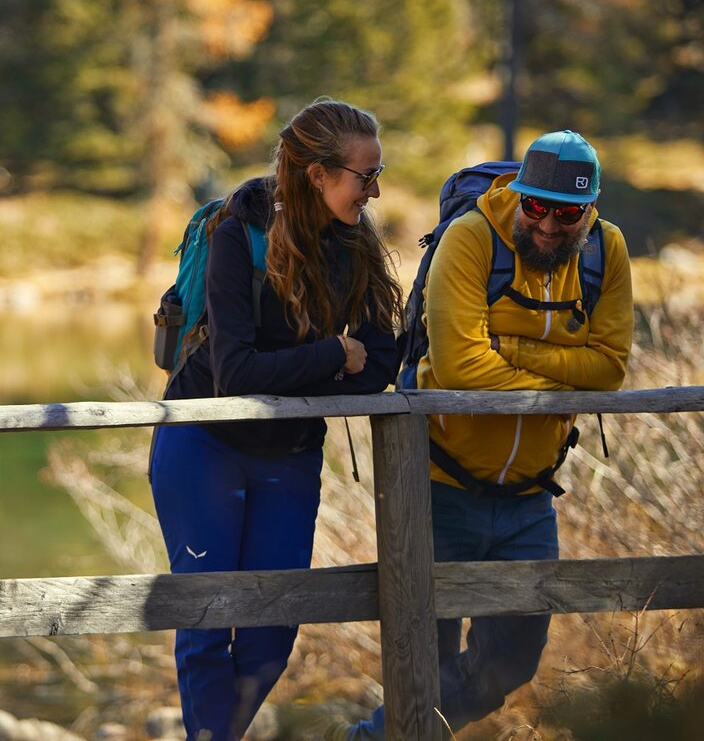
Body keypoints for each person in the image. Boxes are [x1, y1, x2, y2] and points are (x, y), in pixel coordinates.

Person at [328, 129, 634, 739]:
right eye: (537, 206)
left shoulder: (607, 251)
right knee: (422, 661)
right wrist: (559, 372)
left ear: (590, 210)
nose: (548, 225)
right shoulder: (470, 239)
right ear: (520, 195)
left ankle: (372, 737)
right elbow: (463, 368)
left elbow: (610, 369)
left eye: (567, 213)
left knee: (510, 663)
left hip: (530, 496)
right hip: (439, 485)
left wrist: (516, 349)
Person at [150, 98, 403, 741]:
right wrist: (330, 356)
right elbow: (236, 374)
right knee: (207, 619)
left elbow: (379, 366)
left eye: (378, 174)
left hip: (289, 453)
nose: (373, 191)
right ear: (317, 175)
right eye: (363, 176)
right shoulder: (238, 232)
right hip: (203, 439)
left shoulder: (357, 245)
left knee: (271, 632)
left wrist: (318, 365)